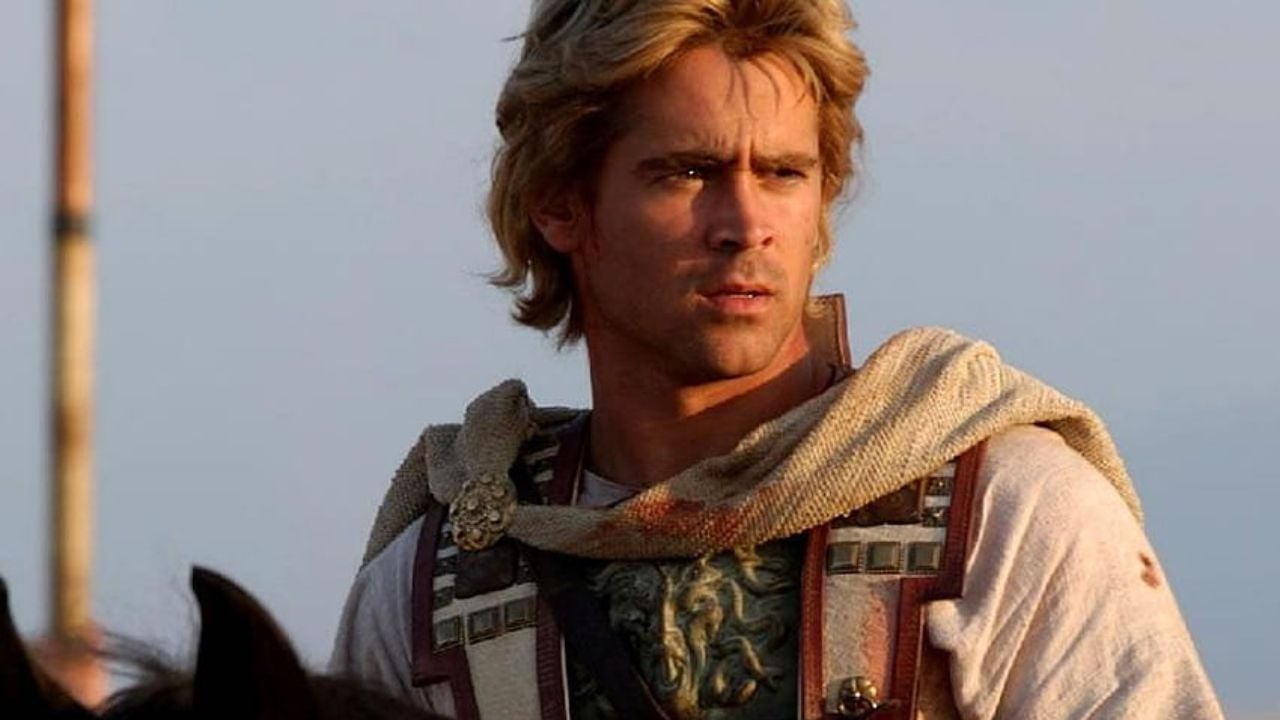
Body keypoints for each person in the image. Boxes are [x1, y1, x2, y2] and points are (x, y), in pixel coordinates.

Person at [331, 1, 1223, 718]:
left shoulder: (1006, 514)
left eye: (784, 174)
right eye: (686, 173)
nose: (746, 224)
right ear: (562, 203)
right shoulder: (435, 584)